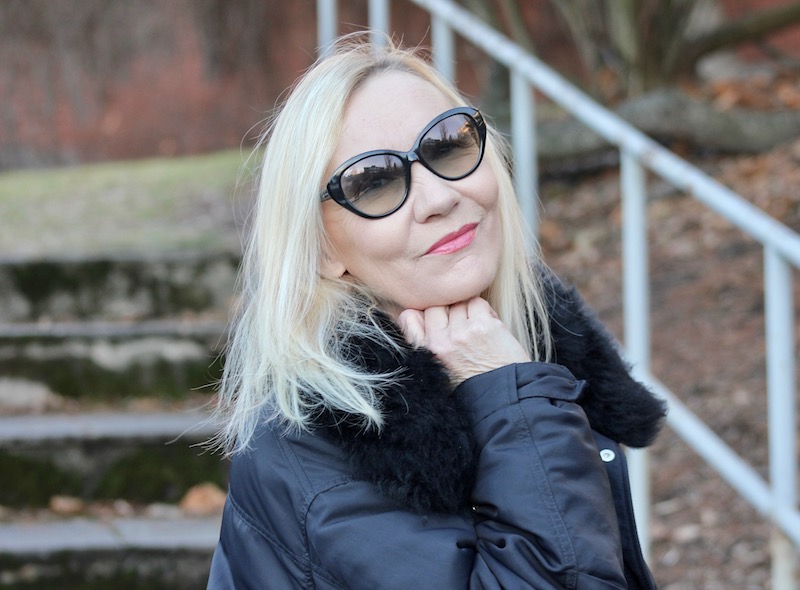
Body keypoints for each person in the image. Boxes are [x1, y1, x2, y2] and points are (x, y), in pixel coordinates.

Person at [207, 33, 666, 590]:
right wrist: (511, 400)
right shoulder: (311, 449)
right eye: (374, 182)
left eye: (447, 146)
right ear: (323, 249)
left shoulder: (537, 353)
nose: (440, 197)